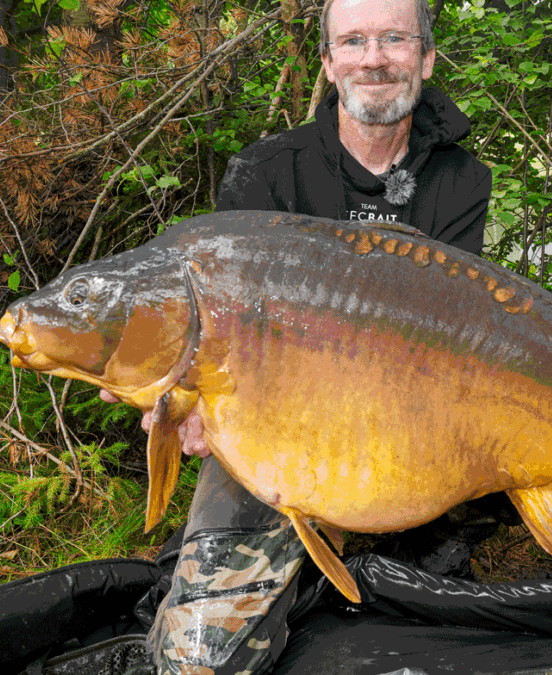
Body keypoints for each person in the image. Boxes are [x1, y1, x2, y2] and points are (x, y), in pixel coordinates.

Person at [101, 0, 494, 672]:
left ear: (426, 58)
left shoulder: (460, 179)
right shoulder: (267, 172)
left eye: (395, 39)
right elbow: (214, 334)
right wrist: (188, 404)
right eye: (355, 41)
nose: (374, 58)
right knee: (197, 660)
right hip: (275, 426)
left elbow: (461, 328)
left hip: (402, 414)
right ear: (328, 62)